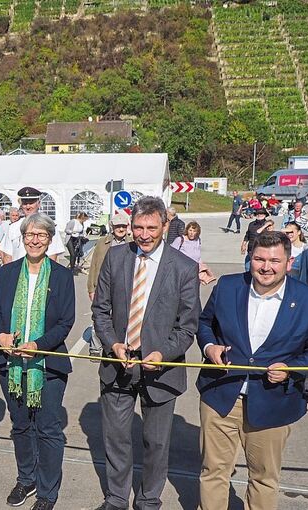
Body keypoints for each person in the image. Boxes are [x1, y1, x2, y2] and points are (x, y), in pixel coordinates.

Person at [196, 231, 308, 509]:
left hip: (273, 402)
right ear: (250, 258)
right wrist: (210, 347)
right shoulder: (227, 286)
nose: (266, 267)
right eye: (259, 259)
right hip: (221, 395)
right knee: (213, 472)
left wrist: (292, 368)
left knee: (263, 478)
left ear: (288, 263)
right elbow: (205, 324)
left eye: (274, 260)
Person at [90, 196, 201, 510]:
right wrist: (112, 342)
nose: (144, 234)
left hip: (160, 369)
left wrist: (163, 353)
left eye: (152, 227)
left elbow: (187, 325)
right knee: (116, 439)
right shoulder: (115, 257)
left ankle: (149, 499)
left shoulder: (184, 268)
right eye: (138, 227)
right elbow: (100, 310)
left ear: (165, 225)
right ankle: (116, 498)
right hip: (118, 364)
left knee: (156, 442)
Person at [0, 214, 76, 510]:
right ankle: (26, 478)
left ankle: (47, 492)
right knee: (21, 426)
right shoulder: (8, 272)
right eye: (30, 235)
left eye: (41, 235)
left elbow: (66, 322)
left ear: (50, 239)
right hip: (11, 366)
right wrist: (1, 336)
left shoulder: (62, 276)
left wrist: (38, 345)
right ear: (22, 238)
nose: (35, 240)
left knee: (48, 429)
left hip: (48, 367)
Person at [0, 188, 65, 263]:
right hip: (18, 272)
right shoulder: (13, 227)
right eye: (25, 203)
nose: (28, 207)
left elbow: (52, 256)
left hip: (42, 272)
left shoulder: (49, 226)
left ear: (39, 204)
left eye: (31, 203)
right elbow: (7, 256)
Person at [87, 212, 131, 301]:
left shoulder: (132, 243)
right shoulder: (102, 242)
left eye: (124, 226)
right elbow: (94, 265)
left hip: (124, 288)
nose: (121, 229)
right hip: (103, 286)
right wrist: (91, 289)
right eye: (118, 226)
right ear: (112, 227)